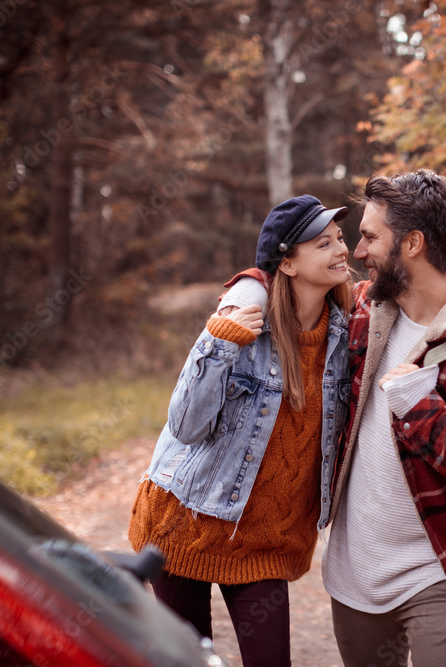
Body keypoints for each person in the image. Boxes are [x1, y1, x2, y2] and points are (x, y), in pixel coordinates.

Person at [221, 169, 446, 666]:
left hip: (438, 576)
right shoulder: (364, 308)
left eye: (369, 237)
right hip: (353, 580)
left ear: (412, 243)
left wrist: (422, 409)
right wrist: (244, 294)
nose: (358, 252)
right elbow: (286, 273)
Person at [128, 195, 353, 667]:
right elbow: (185, 427)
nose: (341, 249)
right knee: (185, 660)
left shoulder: (346, 333)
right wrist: (218, 342)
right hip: (183, 524)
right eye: (323, 243)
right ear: (287, 263)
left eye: (340, 239)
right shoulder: (242, 323)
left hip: (265, 543)